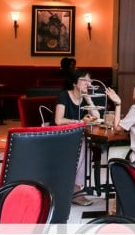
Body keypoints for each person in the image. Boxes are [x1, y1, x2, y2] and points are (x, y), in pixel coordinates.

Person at [54, 69, 101, 206]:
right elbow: (58, 120)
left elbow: (97, 117)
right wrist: (79, 122)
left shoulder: (84, 99)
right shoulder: (64, 96)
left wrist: (88, 98)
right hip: (59, 136)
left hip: (76, 137)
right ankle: (75, 190)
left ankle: (76, 189)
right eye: (84, 80)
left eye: (89, 80)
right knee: (83, 148)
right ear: (74, 83)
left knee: (85, 149)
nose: (88, 83)